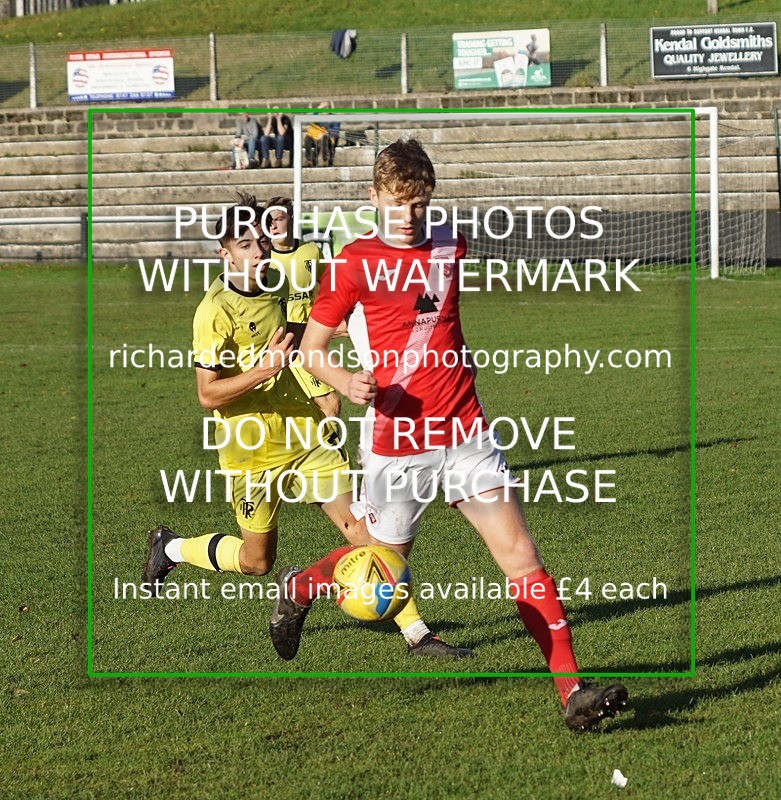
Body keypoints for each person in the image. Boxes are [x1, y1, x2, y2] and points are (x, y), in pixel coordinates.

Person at [273, 138, 628, 732]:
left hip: (466, 430)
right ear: (373, 197)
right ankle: (303, 585)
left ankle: (572, 694)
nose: (408, 216)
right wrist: (344, 380)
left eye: (419, 203)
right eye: (397, 203)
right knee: (383, 568)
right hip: (397, 443)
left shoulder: (451, 243)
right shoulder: (353, 262)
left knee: (521, 556)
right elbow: (311, 350)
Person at [141, 200, 467, 660]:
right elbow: (208, 394)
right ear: (224, 254)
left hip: (306, 435)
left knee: (363, 532)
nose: (259, 252)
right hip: (251, 449)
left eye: (261, 242)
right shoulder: (213, 312)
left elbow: (302, 331)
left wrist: (347, 331)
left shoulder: (279, 283)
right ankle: (171, 548)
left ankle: (418, 636)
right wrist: (264, 369)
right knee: (257, 561)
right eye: (245, 245)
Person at [264, 194, 341, 419]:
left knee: (324, 405)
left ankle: (324, 443)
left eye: (279, 219)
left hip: (308, 342)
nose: (273, 226)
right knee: (325, 404)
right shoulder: (264, 260)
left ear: (291, 218)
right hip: (280, 344)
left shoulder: (310, 251)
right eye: (269, 221)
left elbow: (327, 285)